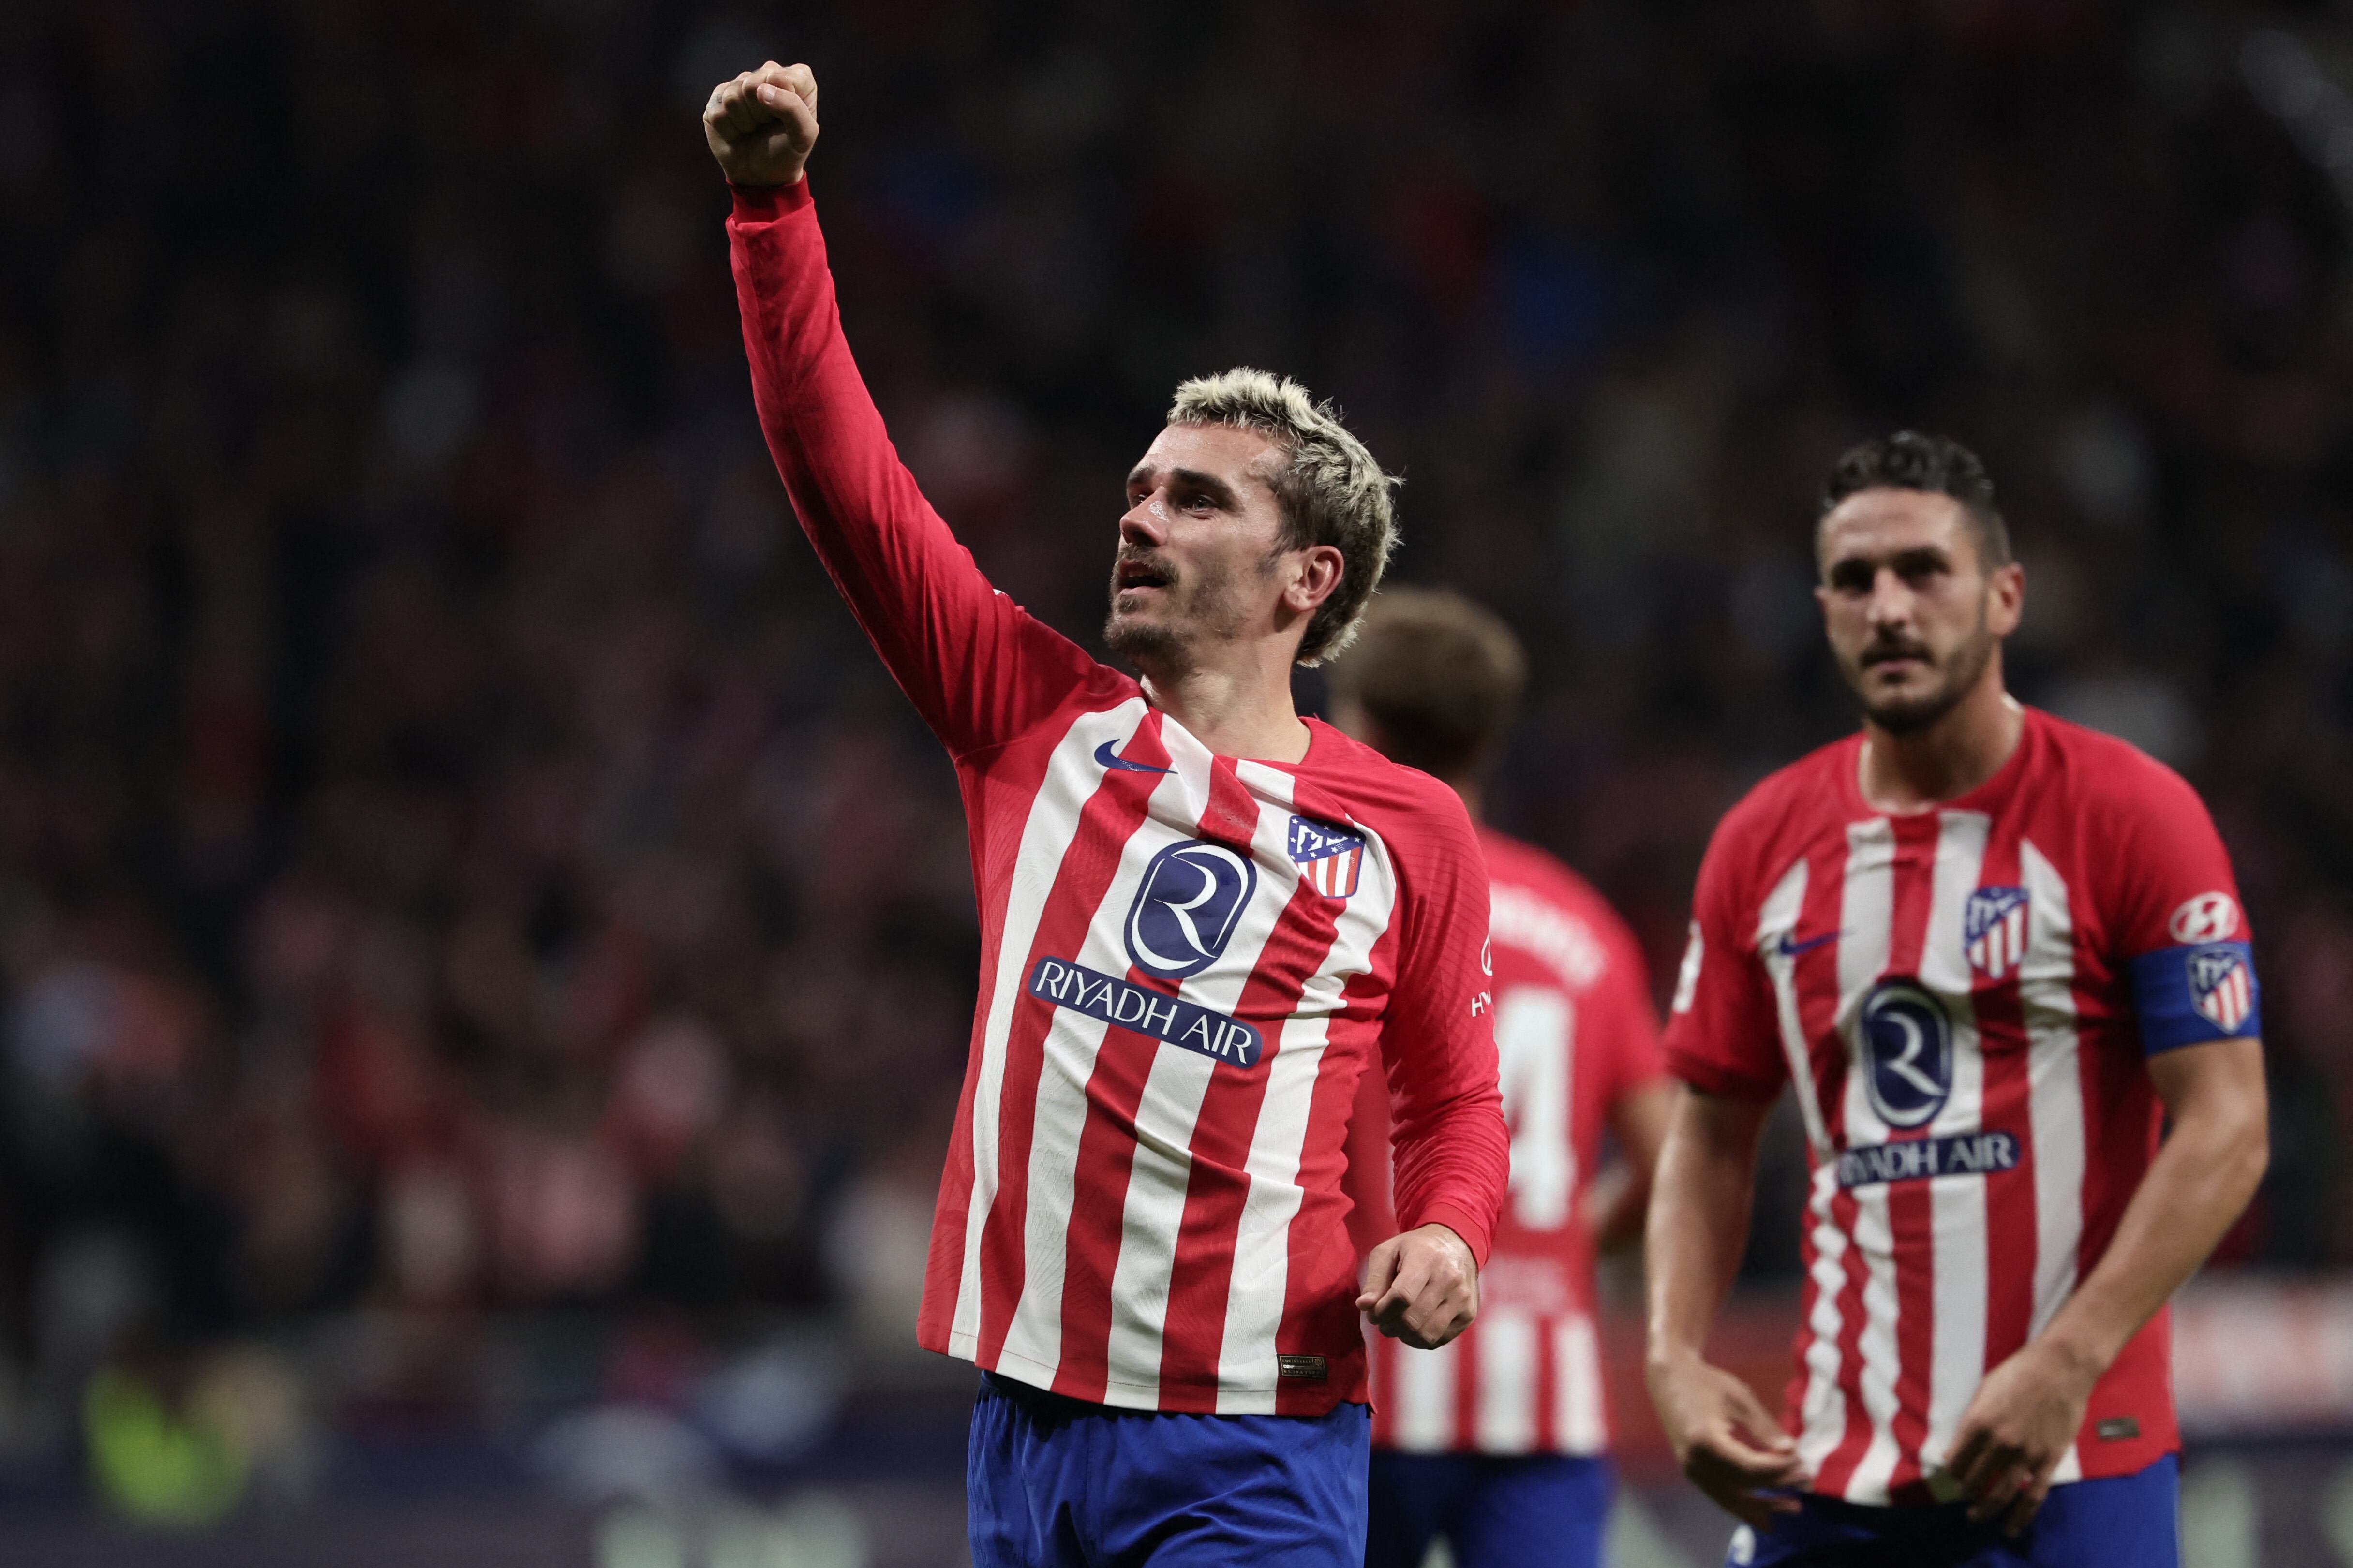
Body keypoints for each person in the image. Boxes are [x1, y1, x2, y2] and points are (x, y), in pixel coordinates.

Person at [702, 63, 1510, 1568]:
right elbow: (845, 480)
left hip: (1253, 1434)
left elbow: (1457, 1100)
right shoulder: (1035, 717)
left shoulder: (1406, 827)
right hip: (1025, 1426)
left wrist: (1453, 1235)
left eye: (1197, 499)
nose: (1137, 516)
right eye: (1138, 489)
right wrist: (772, 212)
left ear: (1307, 577)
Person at [1643, 432, 2268, 1568]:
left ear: (2003, 596)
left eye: (1922, 571)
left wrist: (2069, 1357)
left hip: (2072, 1459)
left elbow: (2227, 1125)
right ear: (1823, 607)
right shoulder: (1760, 842)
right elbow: (1708, 1129)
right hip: (1825, 1469)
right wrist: (1672, 1354)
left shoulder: (2133, 815)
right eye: (1853, 579)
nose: (1887, 606)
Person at [1327, 589, 1675, 1568]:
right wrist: (1565, 1241)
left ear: (1363, 724)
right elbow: (1669, 1160)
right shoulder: (1584, 928)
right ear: (1489, 736)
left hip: (1360, 1384)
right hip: (1545, 1407)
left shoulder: (1340, 903)